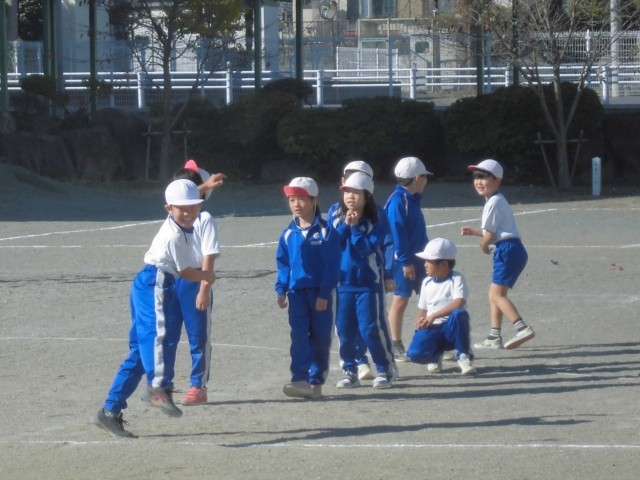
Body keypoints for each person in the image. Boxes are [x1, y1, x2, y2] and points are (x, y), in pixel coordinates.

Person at [93, 179, 216, 438]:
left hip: (155, 282)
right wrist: (207, 277)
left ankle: (109, 411)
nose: (189, 212)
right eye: (181, 208)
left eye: (194, 206)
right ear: (169, 209)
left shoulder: (182, 222)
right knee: (157, 335)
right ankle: (158, 387)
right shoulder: (175, 234)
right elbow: (186, 272)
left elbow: (188, 198)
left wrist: (204, 185)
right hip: (156, 281)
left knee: (141, 351)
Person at [327, 160, 395, 382]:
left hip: (368, 283)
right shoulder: (335, 213)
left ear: (367, 196)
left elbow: (367, 248)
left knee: (370, 328)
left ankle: (384, 368)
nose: (350, 197)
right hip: (341, 283)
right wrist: (346, 225)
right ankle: (350, 370)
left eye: (356, 193)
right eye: (347, 191)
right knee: (344, 330)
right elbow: (332, 243)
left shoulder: (376, 218)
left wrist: (356, 228)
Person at [276, 177, 341, 399]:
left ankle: (316, 382)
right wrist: (281, 289)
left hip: (321, 293)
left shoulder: (327, 232)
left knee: (321, 338)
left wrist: (324, 293)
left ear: (314, 201)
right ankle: (299, 379)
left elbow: (333, 266)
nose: (296, 204)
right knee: (299, 336)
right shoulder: (287, 233)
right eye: (292, 199)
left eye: (302, 199)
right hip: (297, 293)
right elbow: (283, 264)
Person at [460, 159, 534, 350]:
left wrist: (483, 247)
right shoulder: (497, 200)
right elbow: (493, 231)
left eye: (484, 177)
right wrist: (474, 232)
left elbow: (490, 235)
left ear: (497, 181)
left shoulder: (492, 202)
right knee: (494, 293)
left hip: (507, 250)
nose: (479, 181)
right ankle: (494, 336)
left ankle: (522, 328)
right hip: (512, 249)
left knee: (497, 294)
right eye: (476, 177)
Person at [171, 159, 224, 405]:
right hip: (172, 281)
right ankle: (164, 383)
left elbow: (209, 257)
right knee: (168, 334)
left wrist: (204, 289)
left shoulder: (205, 219)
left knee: (198, 337)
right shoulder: (174, 216)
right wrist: (205, 186)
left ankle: (197, 385)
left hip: (196, 283)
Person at [384, 156, 432, 362]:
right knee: (401, 299)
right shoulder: (398, 201)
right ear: (417, 178)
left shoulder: (412, 198)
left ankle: (428, 340)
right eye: (425, 177)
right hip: (403, 260)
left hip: (421, 258)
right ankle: (394, 343)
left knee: (430, 297)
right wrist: (405, 262)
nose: (427, 181)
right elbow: (397, 234)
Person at [406, 238, 477, 375]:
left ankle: (464, 355)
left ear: (444, 264)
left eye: (429, 261)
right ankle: (435, 355)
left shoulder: (456, 278)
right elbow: (423, 309)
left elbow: (458, 303)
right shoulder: (426, 282)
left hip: (451, 328)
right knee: (415, 354)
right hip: (433, 328)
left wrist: (434, 316)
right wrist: (420, 322)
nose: (425, 265)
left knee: (459, 314)